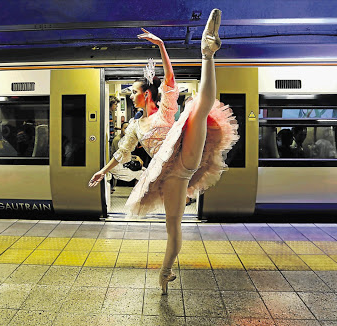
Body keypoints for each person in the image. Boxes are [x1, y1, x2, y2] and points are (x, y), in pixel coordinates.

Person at [89, 9, 238, 294]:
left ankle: (207, 51)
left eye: (133, 91)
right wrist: (103, 171)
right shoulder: (134, 126)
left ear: (146, 93)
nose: (131, 96)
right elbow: (122, 153)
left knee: (200, 108)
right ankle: (165, 272)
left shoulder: (165, 110)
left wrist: (161, 46)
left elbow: (170, 78)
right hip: (170, 175)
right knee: (173, 226)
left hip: (184, 152)